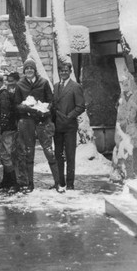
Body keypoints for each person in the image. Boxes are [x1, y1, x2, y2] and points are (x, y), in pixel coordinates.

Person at [14, 58, 60, 193]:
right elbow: (17, 105)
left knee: (48, 151)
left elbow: (51, 101)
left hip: (42, 120)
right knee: (29, 152)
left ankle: (57, 182)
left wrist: (45, 109)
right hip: (27, 121)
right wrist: (28, 109)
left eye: (31, 68)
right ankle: (30, 184)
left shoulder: (43, 82)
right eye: (26, 68)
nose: (29, 70)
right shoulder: (20, 85)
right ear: (24, 71)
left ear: (35, 70)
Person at [52, 62, 86, 191]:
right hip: (57, 126)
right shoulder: (55, 87)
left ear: (70, 71)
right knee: (58, 155)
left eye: (66, 70)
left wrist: (69, 116)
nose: (63, 73)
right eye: (61, 71)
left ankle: (70, 183)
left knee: (70, 156)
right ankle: (61, 182)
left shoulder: (75, 87)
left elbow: (81, 106)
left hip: (69, 126)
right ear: (59, 72)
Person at [0, 73, 18, 191]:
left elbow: (5, 114)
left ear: (2, 82)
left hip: (7, 129)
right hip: (7, 128)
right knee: (4, 155)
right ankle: (6, 181)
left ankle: (13, 183)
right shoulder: (3, 93)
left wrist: (0, 129)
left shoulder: (3, 95)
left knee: (6, 155)